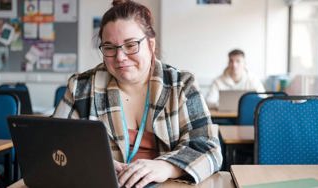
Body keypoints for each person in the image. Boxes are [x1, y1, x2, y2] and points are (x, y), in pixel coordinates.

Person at [53, 0, 222, 187]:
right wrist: (90, 163)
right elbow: (53, 146)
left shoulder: (181, 84)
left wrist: (165, 166)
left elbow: (209, 149)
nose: (120, 57)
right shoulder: (80, 87)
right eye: (109, 47)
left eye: (131, 45)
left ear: (150, 44)